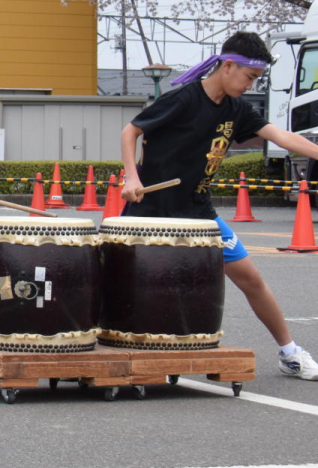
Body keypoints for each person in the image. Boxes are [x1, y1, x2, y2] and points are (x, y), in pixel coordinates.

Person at [121, 31, 318, 381]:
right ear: (228, 66)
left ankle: (290, 352)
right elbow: (130, 131)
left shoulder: (237, 109)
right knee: (134, 284)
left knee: (251, 279)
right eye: (250, 77)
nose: (250, 85)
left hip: (199, 212)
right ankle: (134, 350)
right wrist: (132, 178)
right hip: (152, 212)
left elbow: (282, 137)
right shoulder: (183, 99)